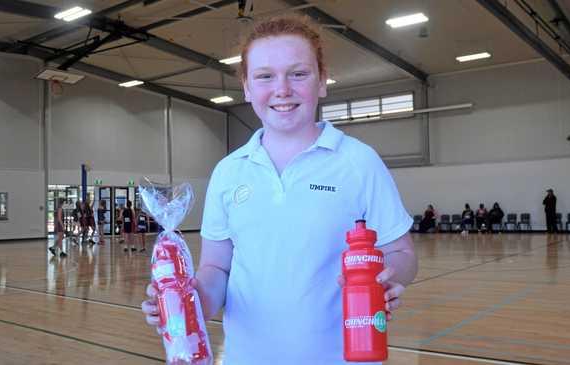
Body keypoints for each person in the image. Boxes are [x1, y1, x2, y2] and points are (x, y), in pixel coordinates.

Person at [141, 16, 417, 365]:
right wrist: (187, 302)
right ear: (246, 87)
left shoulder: (359, 162)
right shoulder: (228, 172)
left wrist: (389, 278)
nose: (282, 89)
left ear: (321, 81)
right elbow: (217, 268)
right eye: (265, 76)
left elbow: (402, 253)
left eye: (298, 73)